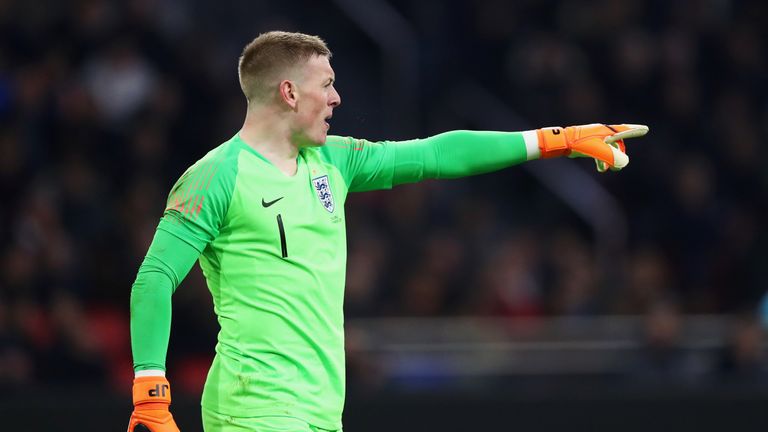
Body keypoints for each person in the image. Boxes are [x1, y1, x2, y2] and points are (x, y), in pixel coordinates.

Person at [127, 31, 648, 432]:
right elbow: (154, 277)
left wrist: (554, 140)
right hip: (256, 402)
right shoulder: (216, 176)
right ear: (288, 92)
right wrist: (151, 388)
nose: (337, 98)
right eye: (327, 84)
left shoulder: (334, 161)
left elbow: (436, 153)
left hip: (320, 403)